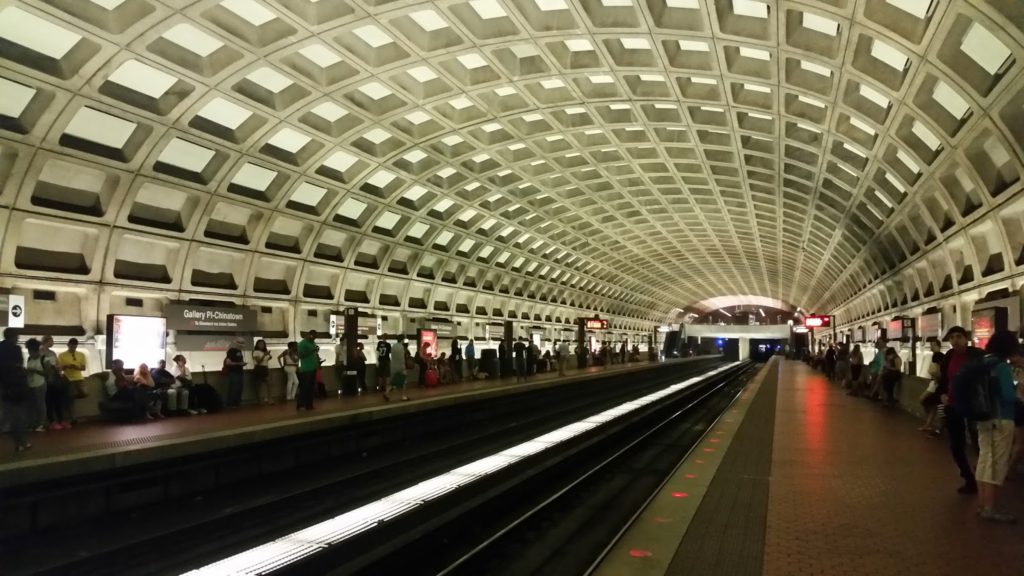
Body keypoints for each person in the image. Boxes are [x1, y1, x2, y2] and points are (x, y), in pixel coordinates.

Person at [973, 331, 1019, 523]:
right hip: (1001, 418)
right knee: (997, 463)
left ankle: (983, 504)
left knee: (984, 460)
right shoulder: (1001, 366)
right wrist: (1017, 389)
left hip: (983, 418)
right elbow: (1008, 396)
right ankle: (991, 509)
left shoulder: (982, 362)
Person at [939, 326, 983, 494]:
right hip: (952, 405)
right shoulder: (949, 356)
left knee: (978, 441)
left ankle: (983, 477)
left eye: (958, 336)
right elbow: (943, 379)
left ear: (966, 338)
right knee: (956, 446)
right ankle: (969, 478)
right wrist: (942, 393)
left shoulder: (977, 356)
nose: (955, 340)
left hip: (973, 405)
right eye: (951, 338)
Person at [0, 328, 30, 452]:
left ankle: (20, 442)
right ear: (14, 337)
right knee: (17, 415)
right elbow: (19, 365)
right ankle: (21, 443)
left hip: (2, 385)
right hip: (15, 386)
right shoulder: (15, 349)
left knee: (7, 413)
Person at [40, 336, 69, 431]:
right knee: (49, 401)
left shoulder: (52, 353)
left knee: (58, 400)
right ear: (46, 341)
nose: (53, 343)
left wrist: (59, 368)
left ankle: (61, 419)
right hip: (47, 379)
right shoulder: (41, 352)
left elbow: (58, 363)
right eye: (51, 341)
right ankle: (52, 421)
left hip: (55, 378)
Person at [58, 337, 87, 424]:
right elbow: (59, 368)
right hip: (68, 378)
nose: (73, 348)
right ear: (68, 345)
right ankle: (73, 418)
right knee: (71, 399)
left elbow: (83, 367)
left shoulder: (81, 355)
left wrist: (77, 367)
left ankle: (68, 398)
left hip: (79, 378)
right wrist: (66, 366)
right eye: (71, 346)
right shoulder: (61, 355)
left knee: (84, 393)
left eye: (75, 346)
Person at [920, 341, 945, 435]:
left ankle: (933, 424)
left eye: (933, 345)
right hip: (935, 382)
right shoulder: (936, 356)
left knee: (926, 401)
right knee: (932, 403)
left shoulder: (938, 356)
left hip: (936, 382)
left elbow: (937, 370)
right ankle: (930, 423)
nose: (931, 347)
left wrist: (936, 378)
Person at [24, 339, 47, 432]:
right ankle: (31, 423)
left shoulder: (45, 359)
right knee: (30, 405)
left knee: (40, 404)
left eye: (31, 352)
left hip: (40, 384)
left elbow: (48, 373)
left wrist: (35, 371)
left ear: (36, 351)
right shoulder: (29, 359)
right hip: (30, 384)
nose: (30, 354)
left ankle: (41, 423)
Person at [296, 330, 318, 411]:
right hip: (306, 369)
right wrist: (312, 351)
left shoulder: (312, 343)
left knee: (311, 388)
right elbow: (301, 355)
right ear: (308, 335)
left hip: (313, 368)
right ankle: (301, 405)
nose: (314, 338)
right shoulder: (302, 343)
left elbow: (314, 354)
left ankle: (309, 405)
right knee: (304, 388)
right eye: (312, 336)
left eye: (315, 337)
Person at [223, 338, 247, 408]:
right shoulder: (231, 351)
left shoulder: (239, 351)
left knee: (239, 388)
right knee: (234, 388)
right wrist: (239, 363)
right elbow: (228, 363)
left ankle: (237, 402)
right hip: (233, 372)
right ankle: (231, 403)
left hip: (239, 372)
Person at [384, 338, 409, 402]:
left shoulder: (393, 346)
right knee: (404, 382)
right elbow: (402, 357)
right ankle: (403, 396)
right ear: (402, 340)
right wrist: (403, 367)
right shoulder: (402, 347)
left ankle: (386, 393)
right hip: (400, 367)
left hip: (393, 366)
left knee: (393, 381)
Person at [252, 340, 272, 405]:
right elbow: (258, 361)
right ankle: (259, 400)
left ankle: (269, 399)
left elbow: (267, 360)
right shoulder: (255, 352)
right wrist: (264, 355)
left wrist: (268, 355)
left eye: (263, 344)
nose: (261, 345)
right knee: (259, 385)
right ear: (257, 345)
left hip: (265, 368)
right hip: (259, 368)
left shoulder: (263, 352)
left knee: (269, 384)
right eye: (260, 344)